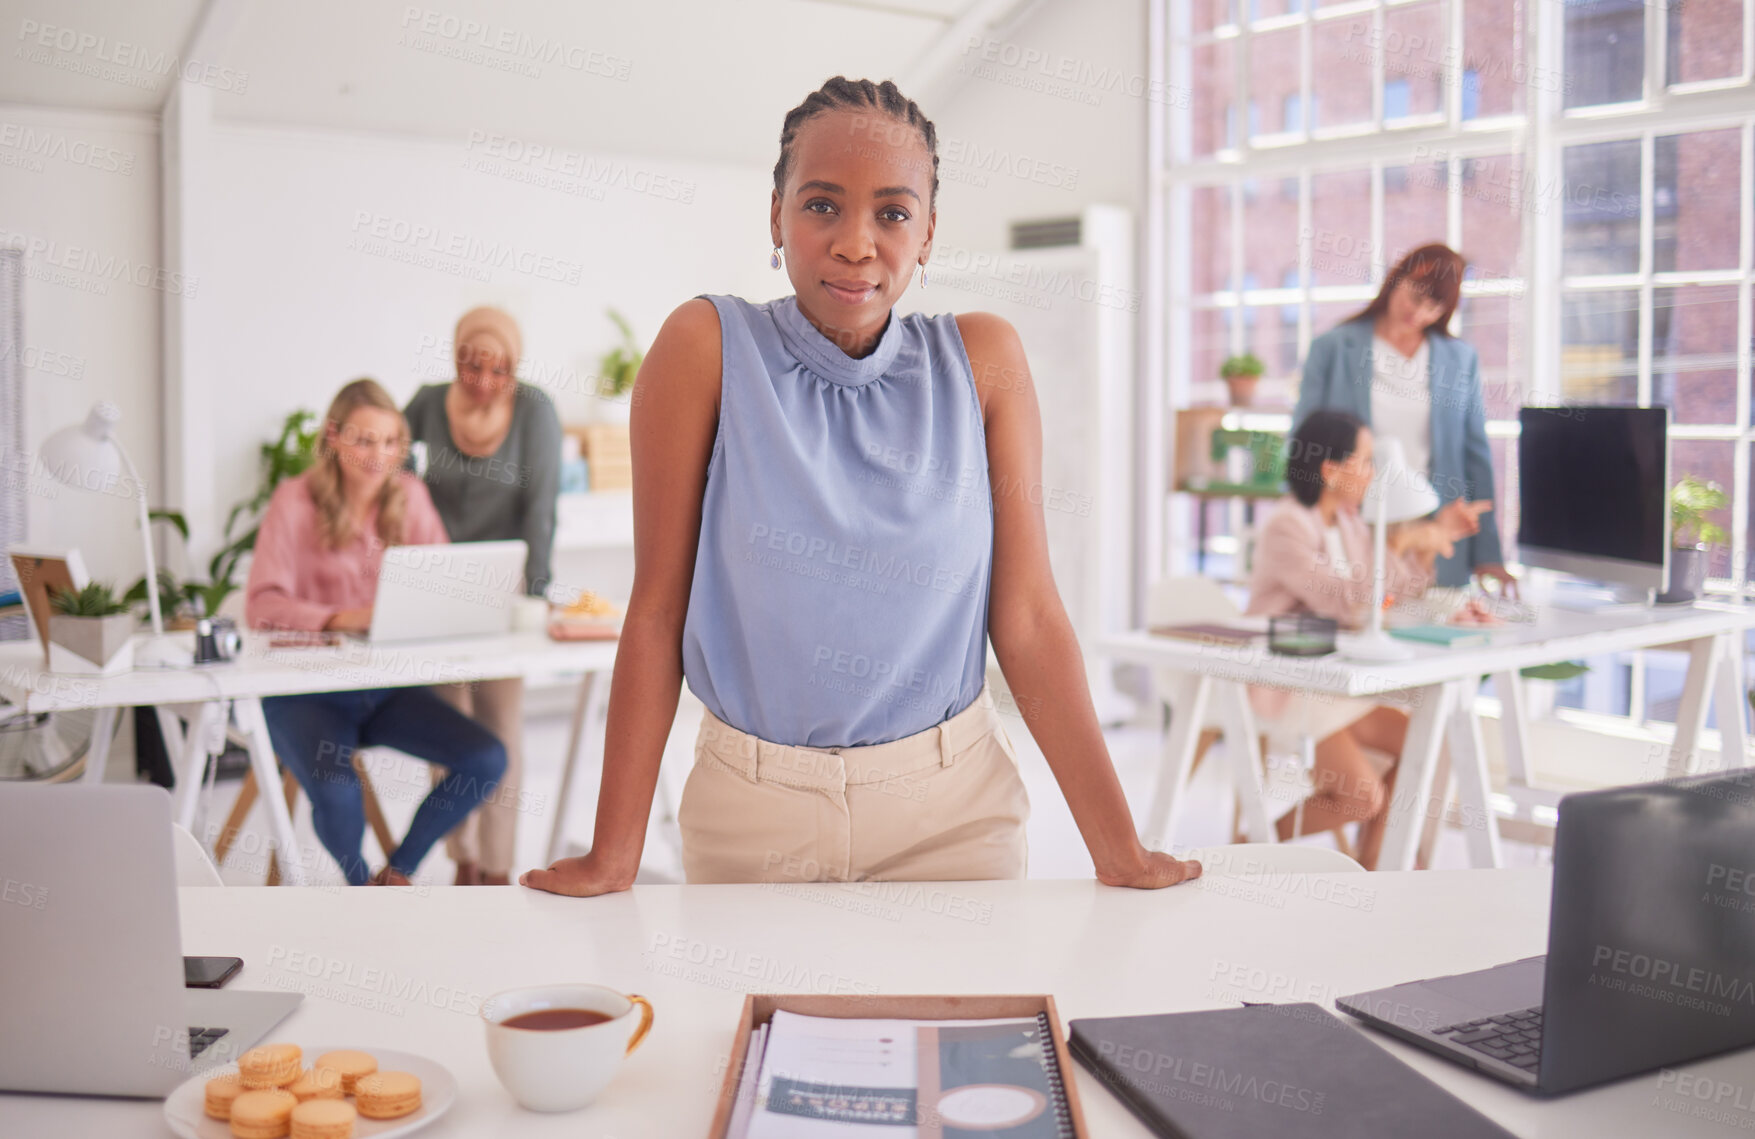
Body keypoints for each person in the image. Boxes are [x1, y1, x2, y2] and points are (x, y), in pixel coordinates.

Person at [522, 76, 1202, 896]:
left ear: (927, 231)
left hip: (952, 814)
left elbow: (1025, 616)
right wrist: (614, 856)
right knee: (743, 1029)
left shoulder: (983, 361)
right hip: (752, 813)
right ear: (774, 214)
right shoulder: (705, 346)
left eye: (891, 212)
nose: (855, 242)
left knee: (968, 1027)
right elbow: (658, 609)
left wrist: (1117, 849)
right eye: (820, 206)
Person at [246, 378, 508, 886]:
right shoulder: (294, 501)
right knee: (339, 792)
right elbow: (261, 603)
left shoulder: (410, 496)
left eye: (390, 442)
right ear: (333, 437)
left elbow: (443, 586)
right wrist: (342, 617)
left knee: (486, 757)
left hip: (384, 689)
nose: (378, 455)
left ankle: (398, 873)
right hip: (305, 694)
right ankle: (359, 883)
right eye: (364, 441)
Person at [1245, 410, 1487, 868]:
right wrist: (1399, 547)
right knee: (1361, 798)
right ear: (1331, 470)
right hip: (1290, 682)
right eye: (1365, 460)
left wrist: (1422, 542)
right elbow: (1341, 601)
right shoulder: (1287, 525)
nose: (1373, 473)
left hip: (1337, 682)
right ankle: (1246, 846)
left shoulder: (1352, 523)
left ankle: (1377, 868)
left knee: (1426, 741)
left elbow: (1399, 589)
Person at [405, 306, 562, 886]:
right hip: (436, 592)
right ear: (454, 359)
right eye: (471, 365)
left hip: (505, 593)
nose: (483, 381)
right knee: (446, 730)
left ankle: (497, 868)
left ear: (514, 369)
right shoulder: (425, 404)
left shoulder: (535, 412)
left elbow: (541, 509)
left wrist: (538, 598)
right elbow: (390, 482)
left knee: (502, 732)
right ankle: (461, 857)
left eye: (498, 370)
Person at [1292, 244, 1515, 594]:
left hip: (1433, 522)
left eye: (1433, 307)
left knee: (1434, 626)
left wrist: (1488, 552)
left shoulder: (1459, 359)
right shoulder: (1333, 348)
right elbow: (1304, 442)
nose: (1419, 313)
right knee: (1358, 612)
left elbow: (1476, 456)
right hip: (1354, 517)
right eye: (1414, 297)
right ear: (1396, 280)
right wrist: (1308, 525)